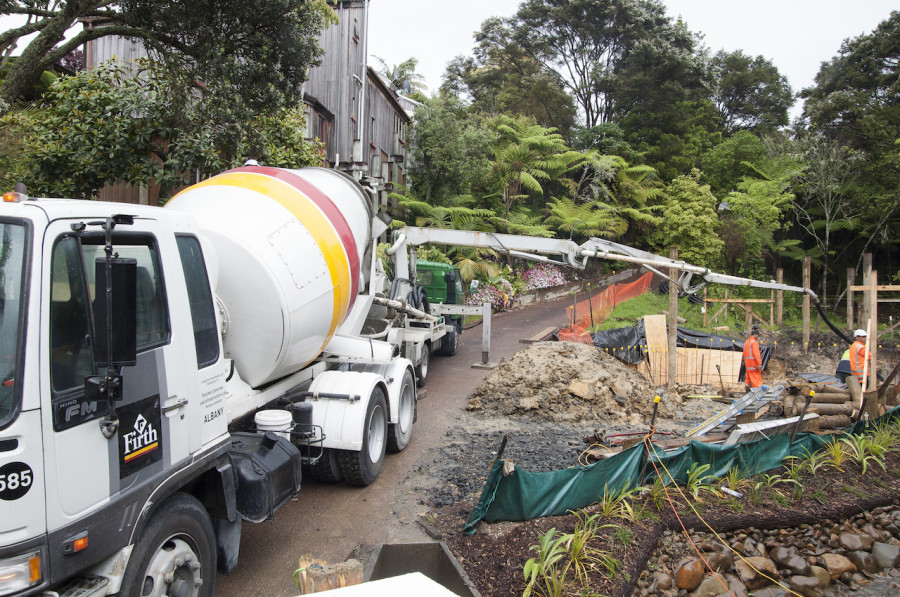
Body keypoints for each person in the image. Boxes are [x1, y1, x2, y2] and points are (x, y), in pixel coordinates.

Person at [743, 325, 763, 389]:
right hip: (754, 366)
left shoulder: (746, 342)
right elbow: (756, 354)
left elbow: (745, 354)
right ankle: (758, 394)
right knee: (757, 383)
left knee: (748, 382)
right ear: (756, 335)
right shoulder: (754, 342)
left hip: (748, 366)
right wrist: (759, 364)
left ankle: (748, 392)